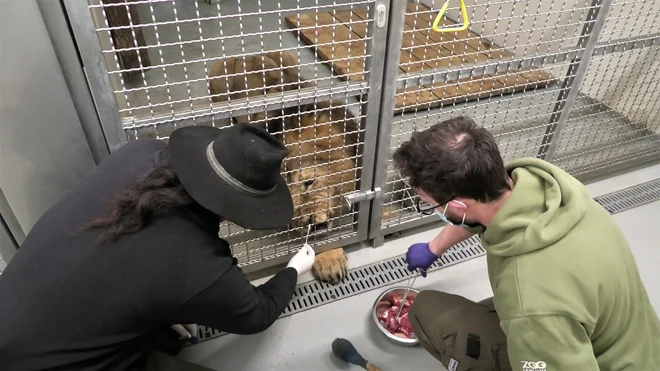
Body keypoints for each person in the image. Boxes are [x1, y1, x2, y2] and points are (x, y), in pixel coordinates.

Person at [0, 124, 316, 371]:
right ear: (244, 206)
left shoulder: (139, 153)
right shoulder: (198, 264)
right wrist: (292, 270)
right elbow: (257, 313)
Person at [393, 116, 660, 371]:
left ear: (459, 206)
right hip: (631, 345)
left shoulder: (530, 297)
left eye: (431, 206)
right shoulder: (553, 194)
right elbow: (479, 214)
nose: (435, 211)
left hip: (595, 360)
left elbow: (534, 309)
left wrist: (526, 321)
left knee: (426, 311)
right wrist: (433, 248)